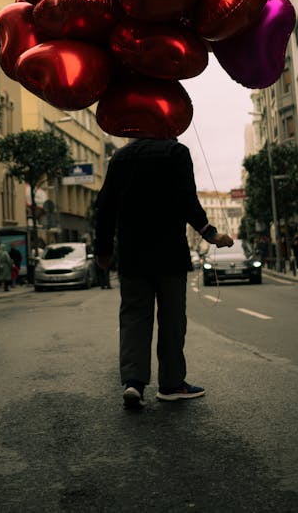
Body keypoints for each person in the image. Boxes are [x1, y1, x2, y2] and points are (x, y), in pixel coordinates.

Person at [94, 137, 233, 410]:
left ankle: (133, 382)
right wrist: (210, 233)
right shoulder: (176, 152)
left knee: (134, 317)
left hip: (133, 255)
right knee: (171, 319)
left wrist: (103, 249)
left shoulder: (121, 157)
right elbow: (187, 199)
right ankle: (171, 384)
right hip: (169, 253)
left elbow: (106, 205)